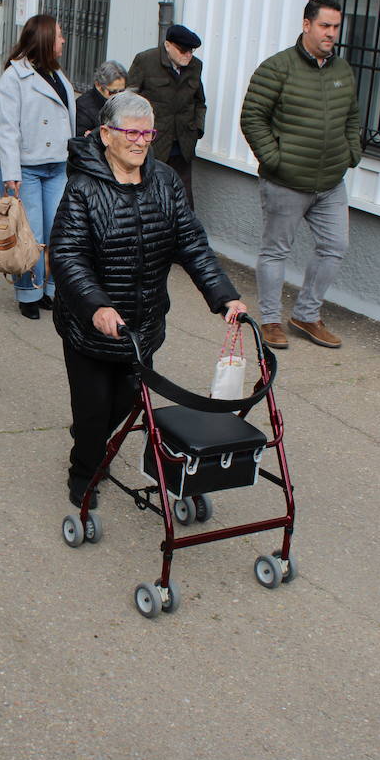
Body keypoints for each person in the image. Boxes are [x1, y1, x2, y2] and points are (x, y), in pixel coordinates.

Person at [50, 92, 246, 509]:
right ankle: (84, 472)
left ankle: (92, 441)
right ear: (106, 134)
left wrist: (224, 297)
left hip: (143, 327)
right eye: (131, 132)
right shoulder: (83, 189)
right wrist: (97, 306)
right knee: (92, 409)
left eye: (147, 132)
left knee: (127, 401)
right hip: (91, 329)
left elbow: (191, 242)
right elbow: (68, 256)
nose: (140, 141)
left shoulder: (165, 181)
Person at [240, 0, 361, 350]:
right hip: (286, 182)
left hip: (330, 182)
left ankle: (307, 314)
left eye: (336, 27)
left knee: (335, 246)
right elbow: (252, 117)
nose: (331, 34)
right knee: (276, 251)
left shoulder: (342, 70)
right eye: (325, 26)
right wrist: (276, 160)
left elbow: (352, 117)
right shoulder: (277, 68)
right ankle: (271, 321)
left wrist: (351, 153)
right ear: (306, 25)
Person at [0, 13, 76, 320]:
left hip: (57, 165)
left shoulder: (57, 74)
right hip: (27, 167)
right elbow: (7, 129)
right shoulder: (14, 77)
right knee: (30, 233)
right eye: (58, 35)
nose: (63, 40)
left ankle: (51, 289)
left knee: (58, 231)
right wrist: (11, 173)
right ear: (44, 39)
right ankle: (28, 292)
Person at [127, 23, 207, 209]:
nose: (188, 55)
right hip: (152, 142)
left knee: (183, 195)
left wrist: (197, 129)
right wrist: (133, 135)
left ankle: (184, 235)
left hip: (183, 142)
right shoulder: (145, 61)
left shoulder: (195, 66)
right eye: (183, 50)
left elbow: (200, 102)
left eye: (191, 51)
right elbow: (128, 100)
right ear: (168, 45)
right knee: (149, 192)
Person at [75, 60, 127, 137]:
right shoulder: (83, 107)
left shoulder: (124, 102)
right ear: (98, 85)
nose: (118, 96)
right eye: (112, 92)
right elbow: (81, 143)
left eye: (122, 91)